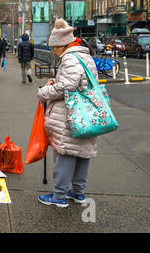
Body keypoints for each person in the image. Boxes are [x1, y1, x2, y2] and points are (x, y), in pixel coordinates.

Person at [36, 19, 98, 208]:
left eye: (53, 48)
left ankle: (59, 195)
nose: (53, 52)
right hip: (87, 113)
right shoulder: (84, 56)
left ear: (60, 45)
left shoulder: (70, 57)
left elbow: (68, 86)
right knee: (82, 153)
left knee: (65, 153)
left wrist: (44, 93)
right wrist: (57, 81)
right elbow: (79, 82)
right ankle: (78, 193)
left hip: (71, 115)